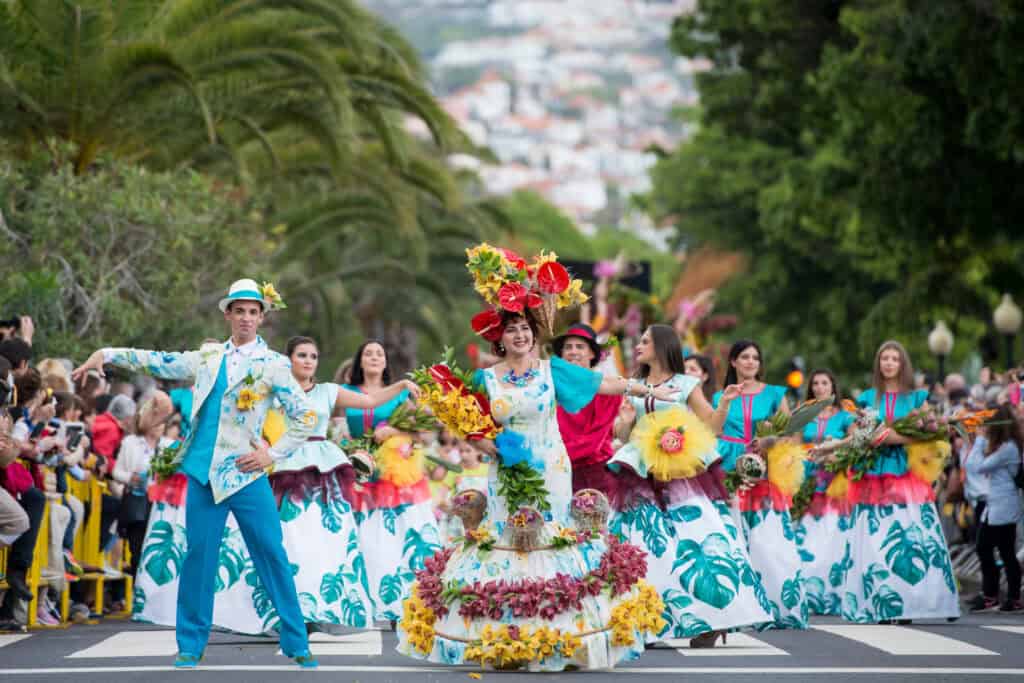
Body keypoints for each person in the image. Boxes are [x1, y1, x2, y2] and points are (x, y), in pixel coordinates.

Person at [398, 309, 679, 670]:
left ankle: (565, 635)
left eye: (525, 329)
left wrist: (648, 389)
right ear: (499, 340)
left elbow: (601, 384)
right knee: (508, 536)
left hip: (550, 467)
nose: (520, 335)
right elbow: (468, 422)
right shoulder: (485, 378)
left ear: (534, 336)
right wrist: (487, 446)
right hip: (505, 467)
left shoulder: (552, 369)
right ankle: (503, 638)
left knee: (551, 536)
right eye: (512, 330)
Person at [72, 278, 320, 669]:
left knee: (271, 553)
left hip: (246, 474)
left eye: (253, 312)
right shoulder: (207, 358)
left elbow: (306, 415)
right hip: (203, 473)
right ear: (228, 315)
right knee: (198, 556)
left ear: (261, 318)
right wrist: (107, 352)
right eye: (239, 311)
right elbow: (158, 360)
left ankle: (297, 641)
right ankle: (190, 643)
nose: (246, 319)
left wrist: (271, 454)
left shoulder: (274, 364)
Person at [222, 335, 418, 633]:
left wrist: (402, 385)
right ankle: (289, 610)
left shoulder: (328, 391)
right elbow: (246, 418)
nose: (308, 361)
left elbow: (370, 400)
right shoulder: (273, 392)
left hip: (325, 468)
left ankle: (318, 608)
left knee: (327, 538)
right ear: (289, 360)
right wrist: (259, 445)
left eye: (313, 356)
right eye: (302, 355)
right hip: (284, 464)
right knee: (289, 538)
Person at [609, 325, 769, 647]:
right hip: (642, 470)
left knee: (702, 535)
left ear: (662, 346)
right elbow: (625, 435)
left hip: (683, 470)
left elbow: (710, 427)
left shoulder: (686, 384)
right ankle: (650, 620)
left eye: (644, 341)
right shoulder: (635, 386)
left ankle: (715, 620)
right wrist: (624, 422)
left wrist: (723, 404)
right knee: (642, 543)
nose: (638, 346)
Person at [849, 341, 960, 622]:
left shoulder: (915, 398)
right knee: (878, 537)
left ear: (902, 364)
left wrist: (889, 437)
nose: (888, 363)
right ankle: (882, 601)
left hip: (906, 473)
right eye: (884, 358)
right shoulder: (866, 399)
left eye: (894, 359)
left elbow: (930, 432)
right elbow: (856, 435)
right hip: (874, 473)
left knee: (914, 533)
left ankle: (916, 601)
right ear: (878, 363)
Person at [341, 340, 440, 624]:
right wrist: (348, 447)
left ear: (386, 363)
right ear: (359, 361)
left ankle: (405, 602)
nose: (374, 357)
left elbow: (425, 430)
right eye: (368, 353)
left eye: (379, 354)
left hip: (396, 476)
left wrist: (394, 430)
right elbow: (334, 427)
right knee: (365, 538)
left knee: (399, 536)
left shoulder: (400, 394)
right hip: (358, 473)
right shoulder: (345, 393)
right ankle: (365, 601)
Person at [712, 339, 807, 630]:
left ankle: (777, 606)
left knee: (768, 540)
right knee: (731, 537)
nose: (751, 362)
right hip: (728, 467)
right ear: (733, 362)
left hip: (764, 471)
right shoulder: (720, 396)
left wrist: (769, 442)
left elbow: (791, 435)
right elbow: (713, 430)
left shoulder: (776, 394)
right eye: (744, 357)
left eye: (755, 357)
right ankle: (736, 610)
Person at [796, 369, 854, 616]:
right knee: (807, 539)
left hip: (834, 483)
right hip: (808, 481)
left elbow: (854, 443)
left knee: (833, 537)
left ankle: (835, 594)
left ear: (833, 387)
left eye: (825, 383)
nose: (820, 387)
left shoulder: (844, 416)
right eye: (816, 383)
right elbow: (794, 444)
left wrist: (833, 455)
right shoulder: (803, 414)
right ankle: (808, 595)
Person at [552, 323, 622, 497]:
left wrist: (552, 454)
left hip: (597, 474)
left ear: (592, 353)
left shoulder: (609, 390)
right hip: (559, 473)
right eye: (568, 347)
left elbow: (594, 440)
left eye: (580, 347)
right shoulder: (551, 387)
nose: (573, 351)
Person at [965, 404, 1023, 612]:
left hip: (1004, 505)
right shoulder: (1004, 445)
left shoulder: (1008, 447)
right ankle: (992, 594)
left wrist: (980, 440)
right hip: (996, 505)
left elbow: (977, 466)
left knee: (1002, 551)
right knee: (988, 549)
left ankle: (1008, 596)